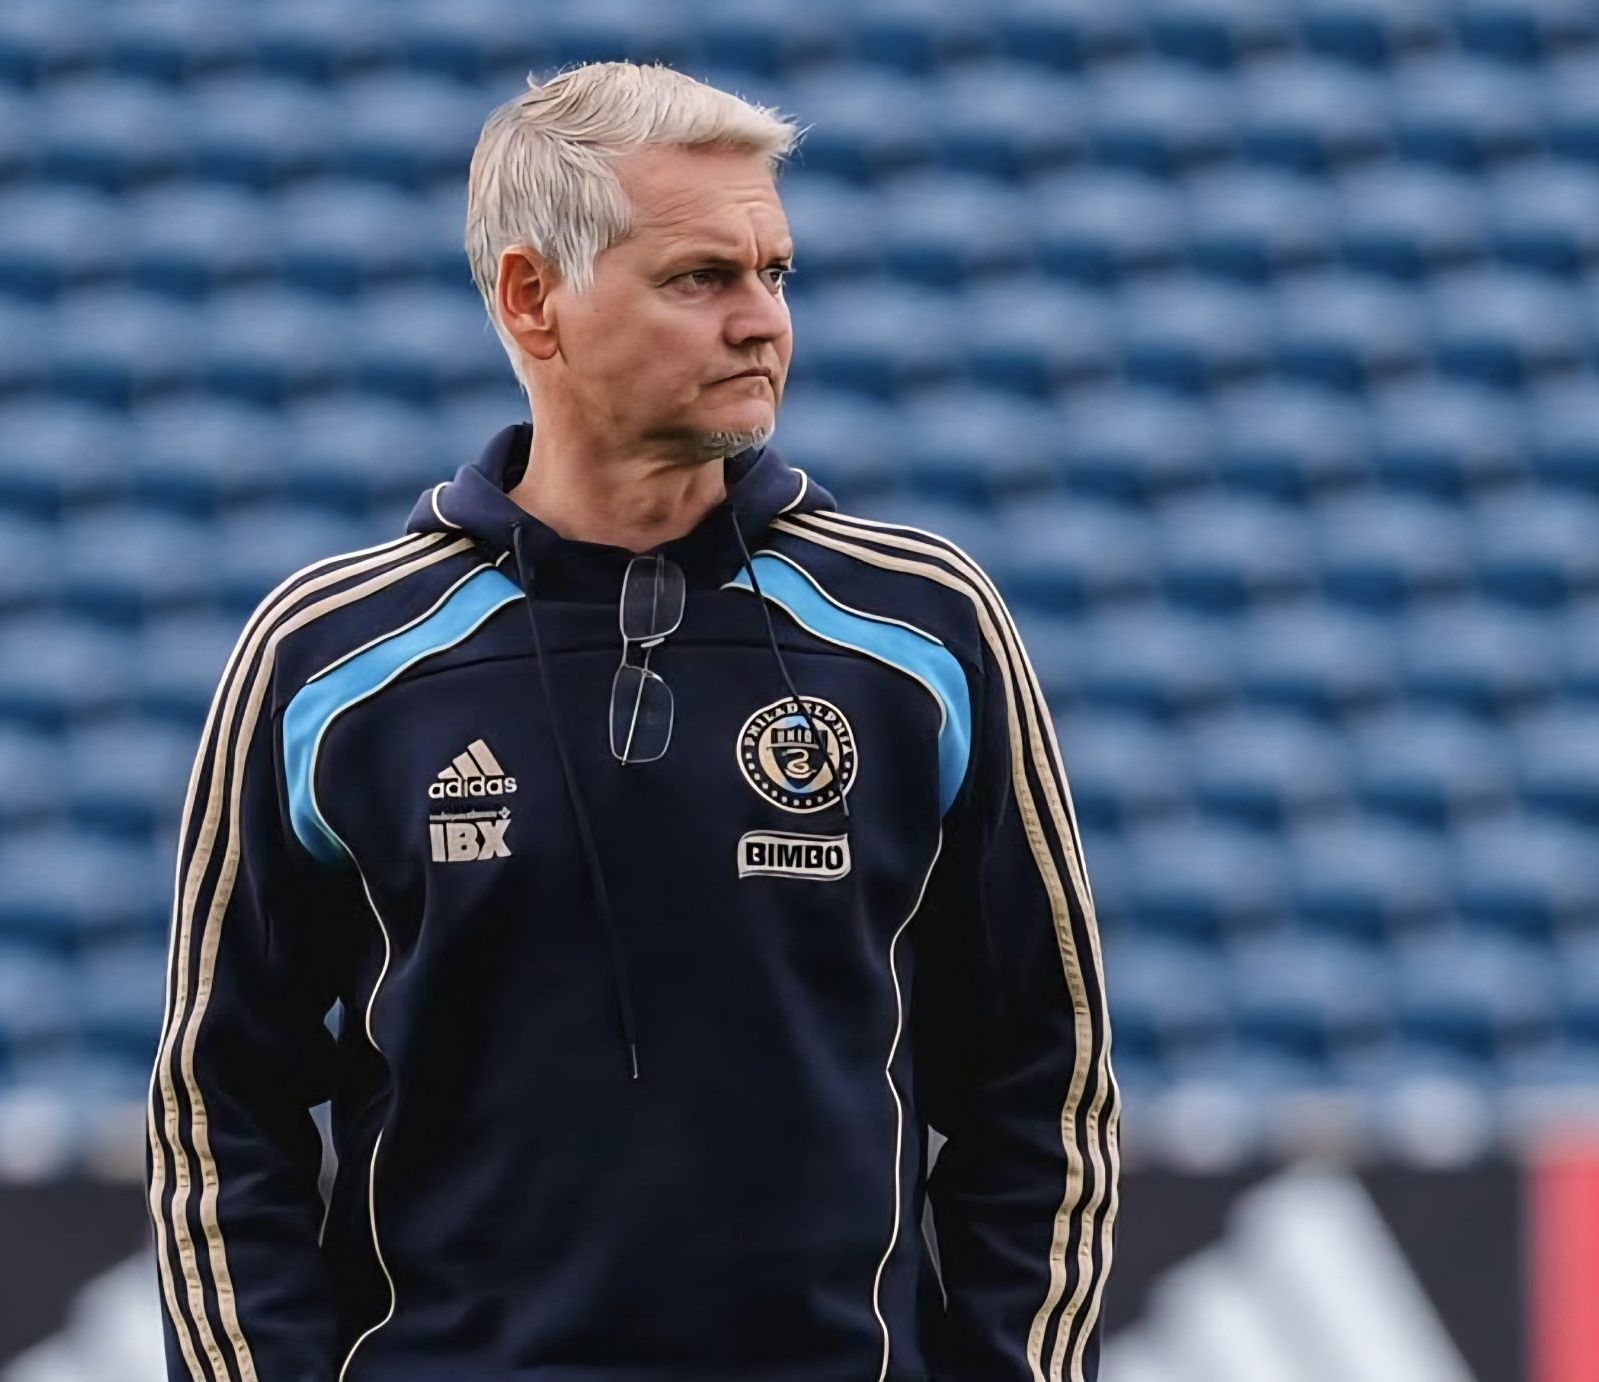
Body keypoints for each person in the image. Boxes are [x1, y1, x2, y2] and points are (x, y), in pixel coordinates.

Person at [148, 60, 1118, 1382]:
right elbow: (220, 1112)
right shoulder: (329, 659)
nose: (761, 321)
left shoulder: (924, 631)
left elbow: (1040, 1087)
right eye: (701, 277)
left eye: (776, 273)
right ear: (532, 299)